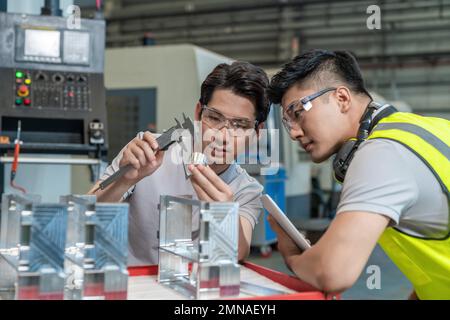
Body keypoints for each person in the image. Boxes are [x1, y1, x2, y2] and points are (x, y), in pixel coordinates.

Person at [267, 49, 449, 299]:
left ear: (341, 98)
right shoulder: (433, 129)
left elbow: (332, 271)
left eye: (298, 112)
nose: (294, 132)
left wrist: (292, 256)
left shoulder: (381, 152)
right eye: (288, 123)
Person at [88, 61, 271, 265]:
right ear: (198, 113)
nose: (222, 136)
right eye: (215, 118)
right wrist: (123, 180)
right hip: (136, 285)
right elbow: (87, 215)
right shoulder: (151, 150)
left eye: (240, 125)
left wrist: (224, 214)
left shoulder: (246, 189)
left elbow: (238, 252)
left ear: (257, 132)